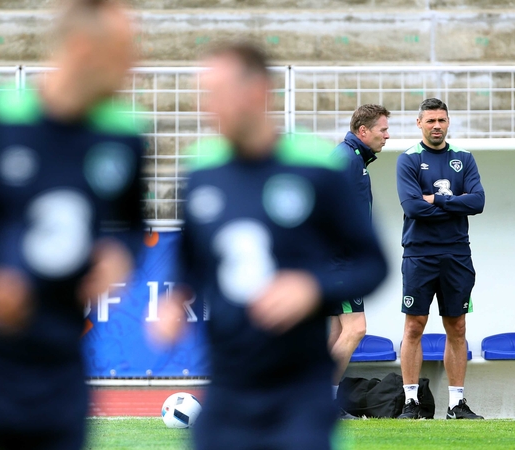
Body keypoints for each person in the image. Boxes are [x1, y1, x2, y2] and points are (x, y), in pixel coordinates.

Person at [152, 42, 388, 450]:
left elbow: (374, 263)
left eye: (218, 94)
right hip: (227, 387)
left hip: (298, 391)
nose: (209, 108)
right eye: (203, 96)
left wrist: (312, 287)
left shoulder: (316, 168)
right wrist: (175, 302)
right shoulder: (201, 172)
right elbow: (192, 261)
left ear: (259, 91)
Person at [0, 0, 146, 448]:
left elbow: (132, 226)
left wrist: (119, 256)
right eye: (124, 53)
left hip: (61, 365)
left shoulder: (124, 137)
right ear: (82, 48)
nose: (135, 66)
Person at [396, 98, 486, 420]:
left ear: (449, 123)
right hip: (419, 253)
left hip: (457, 253)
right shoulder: (408, 160)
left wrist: (435, 198)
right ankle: (410, 403)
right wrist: (455, 202)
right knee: (414, 326)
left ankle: (456, 405)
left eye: (442, 120)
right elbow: (412, 207)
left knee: (457, 326)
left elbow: (478, 202)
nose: (437, 126)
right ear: (419, 123)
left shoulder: (464, 157)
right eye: (431, 120)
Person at [328, 104, 390, 409]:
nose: (387, 136)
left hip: (337, 260)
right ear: (363, 131)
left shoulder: (352, 158)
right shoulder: (346, 159)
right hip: (340, 262)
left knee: (337, 332)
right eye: (383, 129)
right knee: (356, 328)